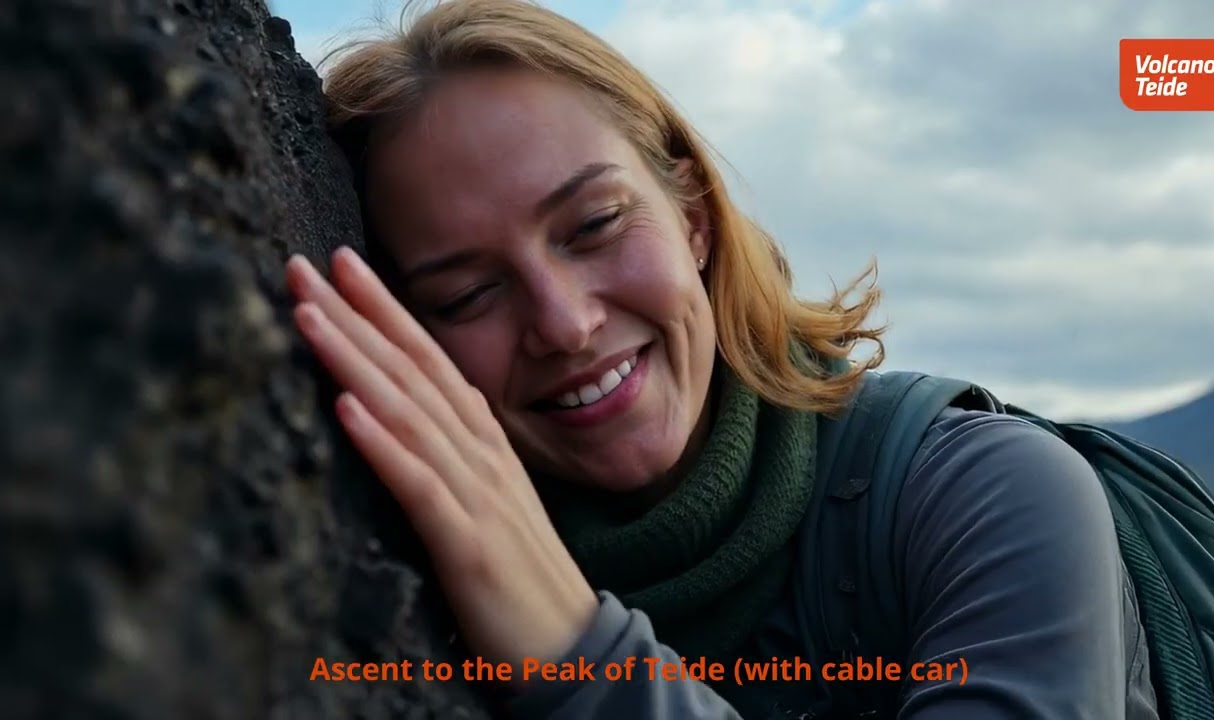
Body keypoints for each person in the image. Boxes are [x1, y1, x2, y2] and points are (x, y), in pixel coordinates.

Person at [282, 0, 1160, 717]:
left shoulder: (987, 493)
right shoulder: (408, 565)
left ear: (694, 218)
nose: (565, 324)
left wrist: (579, 657)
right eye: (467, 294)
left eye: (593, 225)